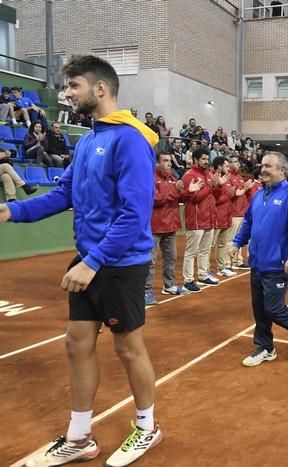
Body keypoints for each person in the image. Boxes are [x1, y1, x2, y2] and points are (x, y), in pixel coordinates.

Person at [0, 55, 162, 467]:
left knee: (128, 348)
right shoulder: (88, 140)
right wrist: (12, 211)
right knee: (77, 344)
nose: (65, 94)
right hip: (90, 257)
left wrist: (93, 261)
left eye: (72, 86)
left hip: (120, 262)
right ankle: (79, 437)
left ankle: (146, 428)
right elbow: (63, 194)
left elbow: (134, 213)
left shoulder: (130, 140)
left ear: (100, 89)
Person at [230, 151, 288, 367]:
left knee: (273, 308)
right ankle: (265, 347)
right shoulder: (258, 194)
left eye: (268, 166)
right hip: (256, 262)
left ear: (282, 171)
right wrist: (237, 242)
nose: (262, 169)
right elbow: (248, 222)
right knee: (259, 308)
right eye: (262, 165)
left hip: (278, 264)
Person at [146, 150, 188, 304]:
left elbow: (180, 197)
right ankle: (146, 291)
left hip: (171, 226)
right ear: (157, 163)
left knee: (170, 259)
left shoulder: (172, 178)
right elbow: (156, 199)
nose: (170, 163)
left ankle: (169, 285)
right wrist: (175, 191)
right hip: (154, 227)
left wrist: (187, 191)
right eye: (165, 161)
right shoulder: (150, 178)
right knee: (150, 262)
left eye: (170, 161)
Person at [181, 147, 220, 293]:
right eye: (203, 159)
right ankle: (188, 280)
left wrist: (215, 185)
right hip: (196, 219)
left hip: (208, 218)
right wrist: (210, 186)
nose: (206, 161)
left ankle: (203, 275)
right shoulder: (189, 176)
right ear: (195, 159)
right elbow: (194, 198)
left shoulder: (208, 174)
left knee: (204, 250)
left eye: (206, 158)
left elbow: (212, 196)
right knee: (191, 252)